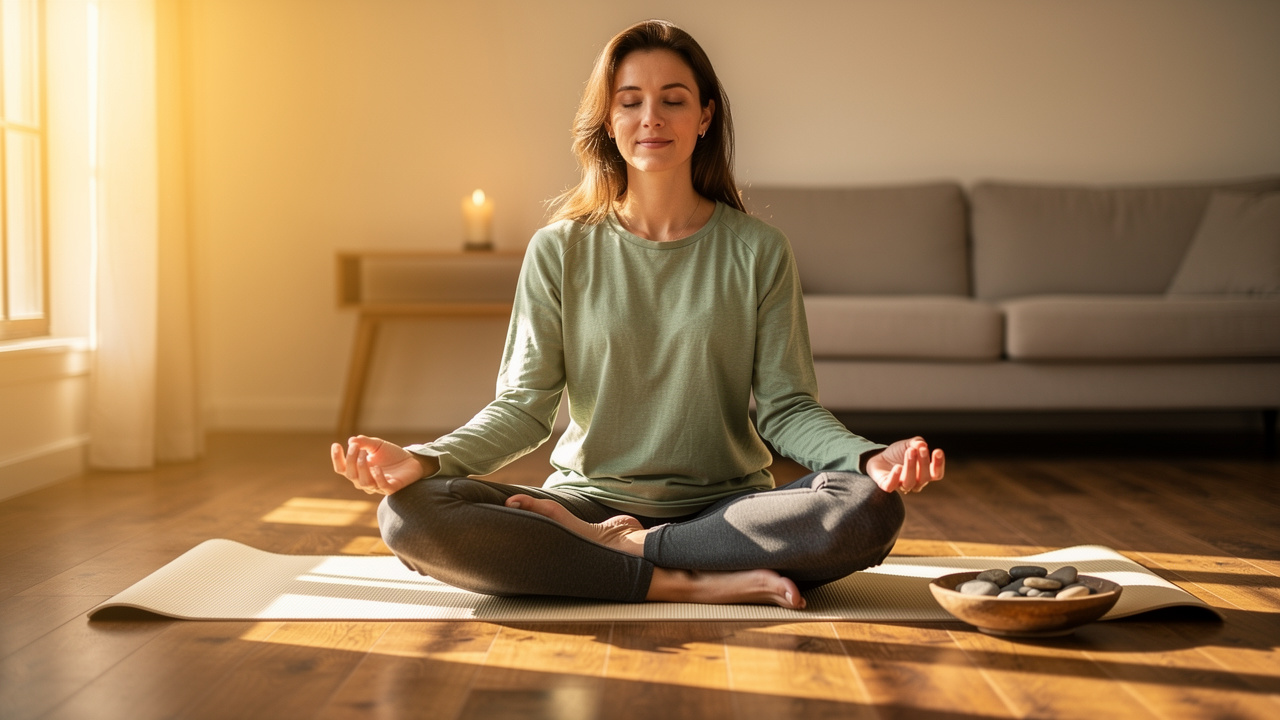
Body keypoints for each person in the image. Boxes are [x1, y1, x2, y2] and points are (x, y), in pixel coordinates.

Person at [331, 19, 944, 610]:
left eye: (672, 100)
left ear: (704, 116)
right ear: (608, 119)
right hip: (584, 506)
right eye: (630, 101)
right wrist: (427, 459)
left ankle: (637, 552)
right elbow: (523, 408)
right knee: (410, 513)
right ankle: (683, 584)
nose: (650, 117)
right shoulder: (560, 248)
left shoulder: (758, 249)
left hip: (726, 514)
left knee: (868, 505)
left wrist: (869, 458)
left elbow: (787, 409)